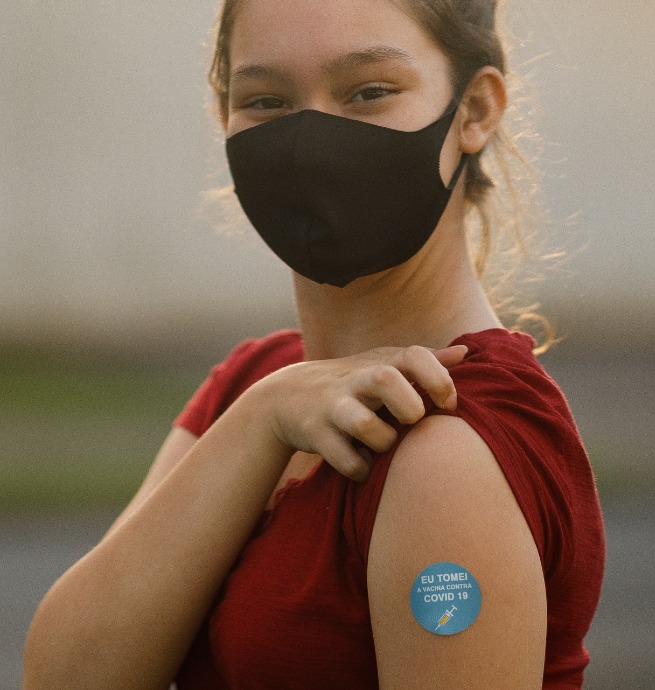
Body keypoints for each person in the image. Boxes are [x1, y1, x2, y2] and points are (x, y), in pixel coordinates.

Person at [23, 0, 605, 688]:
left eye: (369, 92)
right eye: (266, 101)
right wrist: (260, 419)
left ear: (474, 110)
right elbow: (66, 675)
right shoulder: (256, 384)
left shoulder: (445, 445)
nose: (309, 140)